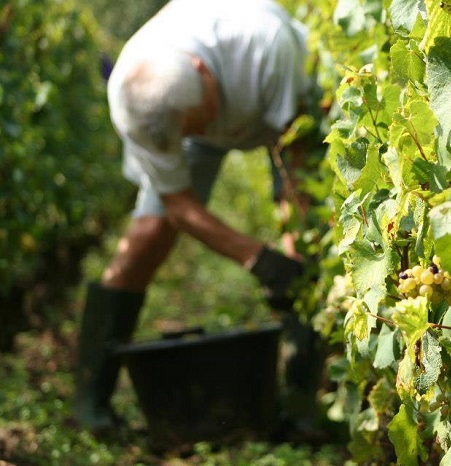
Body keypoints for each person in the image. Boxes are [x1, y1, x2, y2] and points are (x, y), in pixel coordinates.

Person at [74, 0, 321, 433]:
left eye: (198, 122)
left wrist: (290, 250)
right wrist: (256, 259)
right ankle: (90, 399)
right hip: (181, 105)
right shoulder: (138, 103)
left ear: (203, 72)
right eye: (186, 133)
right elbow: (180, 206)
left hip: (279, 108)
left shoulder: (264, 46)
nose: (198, 135)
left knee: (300, 236)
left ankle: (300, 402)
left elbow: (293, 157)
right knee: (148, 235)